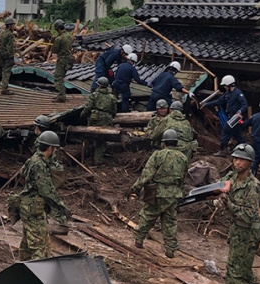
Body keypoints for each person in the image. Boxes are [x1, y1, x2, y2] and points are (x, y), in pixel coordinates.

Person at [216, 143, 260, 284]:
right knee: (243, 266)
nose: (237, 162)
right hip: (237, 230)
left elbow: (249, 214)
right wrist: (217, 196)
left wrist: (228, 205)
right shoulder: (232, 176)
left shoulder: (253, 187)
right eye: (235, 158)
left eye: (242, 160)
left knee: (235, 271)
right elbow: (221, 186)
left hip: (248, 232)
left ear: (250, 163)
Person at [7, 131, 71, 261]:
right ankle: (38, 272)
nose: (55, 152)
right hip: (33, 208)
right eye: (55, 149)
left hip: (29, 206)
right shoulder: (39, 165)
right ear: (50, 148)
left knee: (28, 240)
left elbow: (23, 173)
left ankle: (23, 266)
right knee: (40, 246)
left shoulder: (34, 159)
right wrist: (61, 206)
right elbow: (46, 190)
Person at [130, 129, 189, 258]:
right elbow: (183, 178)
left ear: (164, 143)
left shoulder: (158, 155)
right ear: (176, 142)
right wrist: (180, 193)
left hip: (158, 191)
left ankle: (138, 240)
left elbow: (147, 174)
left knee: (148, 215)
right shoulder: (183, 158)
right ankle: (170, 250)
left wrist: (135, 187)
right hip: (174, 194)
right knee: (170, 221)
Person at [205, 75, 248, 157]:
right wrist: (206, 104)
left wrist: (239, 111)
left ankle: (223, 150)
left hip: (235, 117)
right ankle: (246, 150)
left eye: (225, 85)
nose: (224, 87)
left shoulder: (238, 93)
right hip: (230, 117)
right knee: (238, 135)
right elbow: (219, 101)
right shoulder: (227, 94)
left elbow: (244, 105)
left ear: (229, 85)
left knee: (225, 131)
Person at [80, 77, 117, 165]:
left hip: (94, 119)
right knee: (102, 140)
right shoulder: (112, 97)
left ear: (99, 86)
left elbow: (88, 107)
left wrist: (82, 115)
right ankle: (98, 160)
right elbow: (114, 111)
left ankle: (88, 156)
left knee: (89, 135)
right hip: (107, 120)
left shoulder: (94, 95)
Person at [51, 19, 75, 103]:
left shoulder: (59, 39)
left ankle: (61, 96)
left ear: (58, 29)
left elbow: (54, 50)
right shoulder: (69, 36)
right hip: (69, 59)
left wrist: (53, 41)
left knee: (58, 77)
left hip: (62, 59)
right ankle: (62, 94)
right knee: (62, 77)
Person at [0, 17, 16, 95]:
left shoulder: (1, 32)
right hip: (6, 55)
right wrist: (11, 57)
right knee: (6, 71)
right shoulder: (10, 34)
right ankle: (4, 88)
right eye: (13, 25)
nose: (14, 26)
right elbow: (10, 47)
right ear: (9, 26)